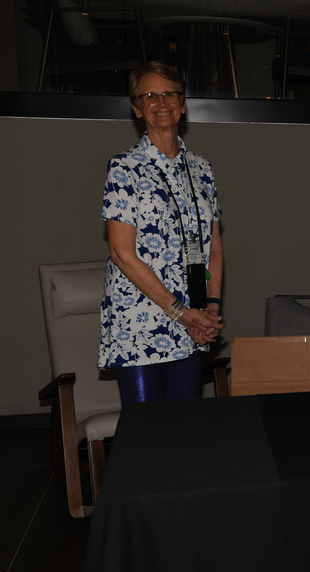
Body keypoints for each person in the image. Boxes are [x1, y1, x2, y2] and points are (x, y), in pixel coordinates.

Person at [98, 61, 224, 406]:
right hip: (141, 322)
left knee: (185, 427)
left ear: (183, 105)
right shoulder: (124, 169)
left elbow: (213, 248)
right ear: (137, 109)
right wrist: (180, 312)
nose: (161, 102)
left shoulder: (202, 169)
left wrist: (209, 309)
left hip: (193, 322)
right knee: (146, 430)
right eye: (149, 96)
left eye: (169, 94)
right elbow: (122, 254)